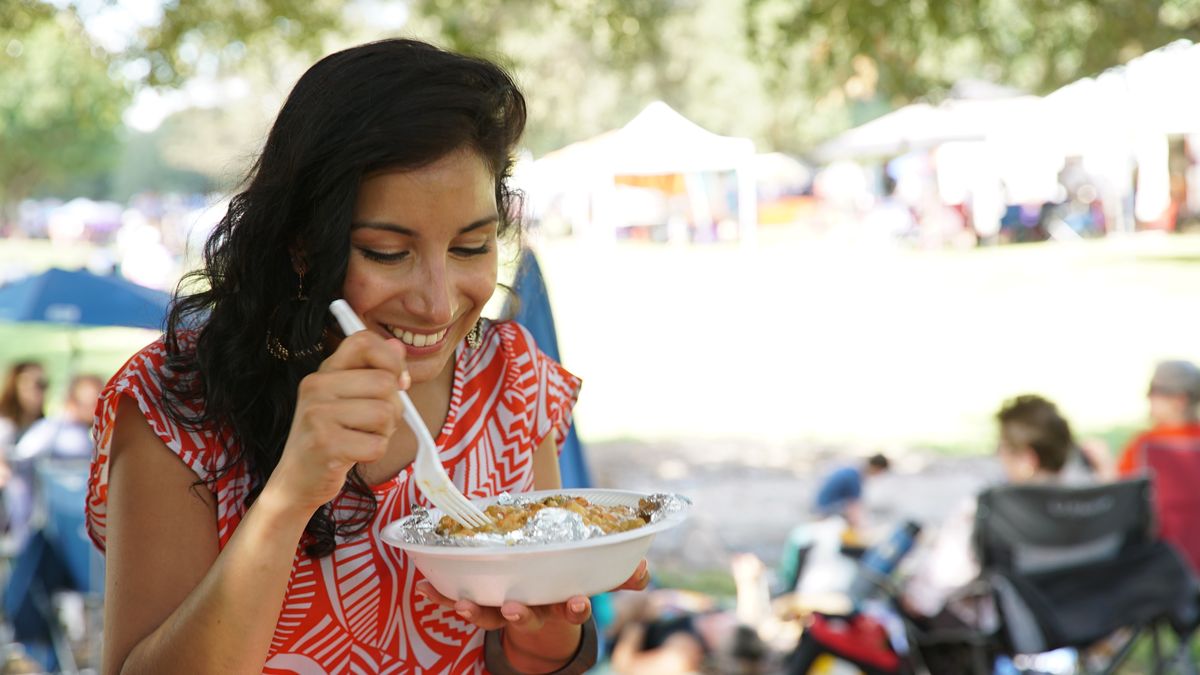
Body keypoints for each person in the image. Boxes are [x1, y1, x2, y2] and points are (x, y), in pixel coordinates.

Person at [86, 39, 645, 674]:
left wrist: (546, 631)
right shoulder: (176, 403)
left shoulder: (511, 381)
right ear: (302, 244)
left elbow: (524, 652)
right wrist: (290, 497)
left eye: (470, 247)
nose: (438, 305)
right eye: (386, 252)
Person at [902, 394, 1089, 627]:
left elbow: (930, 591)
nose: (997, 455)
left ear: (1027, 459)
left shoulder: (989, 510)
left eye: (1000, 447)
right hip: (1075, 630)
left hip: (1000, 640)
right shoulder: (1089, 505)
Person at [4, 374, 102, 549]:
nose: (95, 408)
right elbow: (19, 457)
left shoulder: (91, 433)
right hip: (46, 525)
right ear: (73, 401)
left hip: (79, 524)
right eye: (89, 402)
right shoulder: (51, 428)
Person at [1116, 359, 1200, 477]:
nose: (1148, 397)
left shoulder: (1143, 444)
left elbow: (1123, 487)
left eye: (1154, 391)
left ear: (1180, 399)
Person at [0, 361, 48, 493]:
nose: (38, 392)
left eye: (43, 385)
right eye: (34, 385)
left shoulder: (44, 426)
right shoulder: (5, 425)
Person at [813, 453, 889, 529]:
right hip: (826, 509)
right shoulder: (854, 478)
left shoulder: (852, 471)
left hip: (822, 505)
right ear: (877, 468)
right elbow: (854, 505)